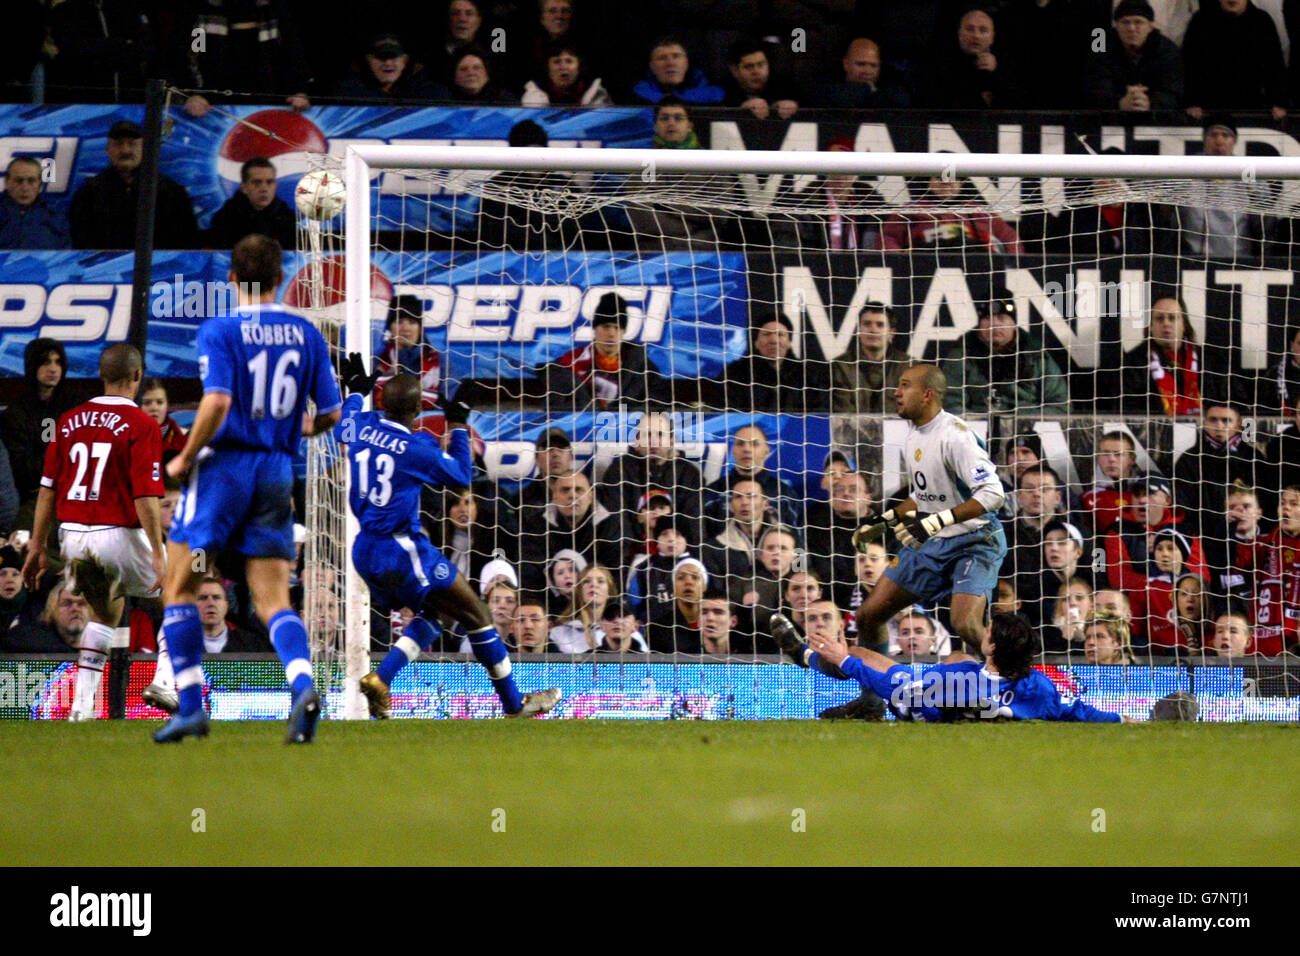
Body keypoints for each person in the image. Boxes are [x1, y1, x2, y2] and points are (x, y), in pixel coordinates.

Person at [155, 235, 344, 743]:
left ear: (233, 279)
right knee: (272, 598)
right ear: (281, 277)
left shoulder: (220, 330)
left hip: (223, 476)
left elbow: (216, 401)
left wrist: (185, 456)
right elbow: (330, 414)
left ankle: (191, 706)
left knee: (183, 583)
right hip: (275, 477)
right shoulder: (307, 334)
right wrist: (288, 430)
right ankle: (302, 685)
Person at [331, 352, 561, 716]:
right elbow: (460, 477)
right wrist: (457, 424)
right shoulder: (416, 447)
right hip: (401, 549)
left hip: (363, 550)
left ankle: (382, 679)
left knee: (438, 613)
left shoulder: (361, 427)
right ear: (416, 413)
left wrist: (355, 392)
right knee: (476, 613)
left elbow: (343, 427)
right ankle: (514, 703)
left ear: (381, 403)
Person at [21, 343, 172, 720]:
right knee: (180, 594)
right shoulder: (142, 425)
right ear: (137, 377)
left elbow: (47, 489)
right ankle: (165, 680)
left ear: (101, 376)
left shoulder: (68, 420)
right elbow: (146, 496)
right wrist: (157, 549)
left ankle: (81, 707)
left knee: (105, 615)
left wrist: (37, 546)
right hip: (119, 532)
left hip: (72, 536)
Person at [843, 365, 1007, 668]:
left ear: (928, 394)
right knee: (868, 616)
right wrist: (882, 522)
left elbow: (993, 494)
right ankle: (874, 700)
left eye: (905, 385)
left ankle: (1017, 687)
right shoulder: (915, 436)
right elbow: (925, 495)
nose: (896, 392)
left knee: (966, 625)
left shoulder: (957, 437)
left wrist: (935, 521)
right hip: (933, 541)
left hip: (976, 541)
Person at [804, 611, 1126, 723]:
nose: (982, 633)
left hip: (919, 707)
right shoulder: (1037, 686)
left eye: (987, 632)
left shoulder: (960, 681)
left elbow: (897, 690)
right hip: (968, 699)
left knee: (862, 655)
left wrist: (843, 659)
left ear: (994, 646)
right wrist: (1121, 720)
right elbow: (1075, 710)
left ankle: (807, 656)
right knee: (960, 657)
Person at [69, 119, 198, 250]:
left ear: (144, 149)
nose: (125, 150)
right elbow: (82, 243)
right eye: (118, 144)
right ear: (108, 150)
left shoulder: (170, 191)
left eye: (132, 144)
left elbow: (185, 242)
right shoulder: (88, 194)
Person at [179, 0, 311, 118]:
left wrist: (299, 91)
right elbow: (194, 54)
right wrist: (196, 93)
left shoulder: (275, 10)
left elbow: (293, 53)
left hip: (272, 104)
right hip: (213, 108)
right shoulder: (203, 13)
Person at [940, 297, 1070, 416]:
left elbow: (1060, 405)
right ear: (979, 325)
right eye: (987, 318)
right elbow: (950, 405)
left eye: (1001, 318)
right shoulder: (961, 356)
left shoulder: (1036, 355)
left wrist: (1022, 422)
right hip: (977, 432)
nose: (994, 324)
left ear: (1013, 324)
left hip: (1027, 432)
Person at [1167, 118, 1270, 261]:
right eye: (1213, 135)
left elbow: (1263, 213)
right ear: (1205, 140)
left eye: (1225, 135)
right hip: (1190, 259)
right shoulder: (1188, 167)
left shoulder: (1247, 170)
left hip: (1238, 257)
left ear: (1233, 141)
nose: (1219, 141)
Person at [0, 338, 77, 528]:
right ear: (32, 365)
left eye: (58, 362)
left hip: (75, 496)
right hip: (32, 501)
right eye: (45, 362)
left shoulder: (77, 406)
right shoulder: (16, 413)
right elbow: (21, 471)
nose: (53, 369)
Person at [542, 292, 667, 408]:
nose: (611, 334)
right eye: (606, 327)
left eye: (617, 328)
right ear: (595, 329)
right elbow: (555, 406)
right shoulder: (569, 364)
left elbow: (658, 405)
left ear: (623, 332)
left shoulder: (643, 369)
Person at [1182, 0, 1287, 121]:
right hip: (1208, 108)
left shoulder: (1262, 21)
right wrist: (1192, 102)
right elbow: (1190, 65)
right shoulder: (1201, 20)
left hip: (1252, 106)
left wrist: (1278, 102)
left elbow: (1274, 65)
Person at [1172, 403, 1264, 534]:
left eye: (1226, 420)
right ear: (1204, 423)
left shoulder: (1253, 458)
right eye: (1213, 420)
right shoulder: (1189, 460)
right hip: (1204, 537)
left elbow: (1264, 500)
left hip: (1249, 538)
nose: (1219, 426)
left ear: (1239, 425)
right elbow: (1183, 506)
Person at [1234, 483, 1300, 656]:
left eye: (1294, 504)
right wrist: (1229, 525)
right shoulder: (1262, 545)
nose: (1286, 507)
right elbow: (1233, 562)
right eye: (1283, 503)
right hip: (1268, 643)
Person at [880, 175, 1022, 254]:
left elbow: (1010, 237)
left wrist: (1010, 263)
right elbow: (888, 238)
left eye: (953, 179)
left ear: (961, 184)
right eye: (939, 179)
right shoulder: (910, 210)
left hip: (977, 268)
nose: (946, 183)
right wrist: (899, 261)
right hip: (923, 267)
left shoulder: (981, 212)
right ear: (929, 182)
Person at [1085, 0, 1183, 111]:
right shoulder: (1100, 46)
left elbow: (1172, 91)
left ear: (1150, 26)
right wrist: (1119, 103)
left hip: (1155, 120)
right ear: (1116, 26)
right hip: (1110, 120)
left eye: (1138, 22)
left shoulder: (1167, 49)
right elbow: (1095, 87)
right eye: (1125, 22)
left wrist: (1149, 103)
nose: (1131, 28)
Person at [1117, 292, 1204, 416]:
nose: (1166, 323)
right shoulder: (1132, 364)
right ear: (1151, 325)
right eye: (1159, 318)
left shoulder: (1208, 361)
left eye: (1172, 318)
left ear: (1184, 324)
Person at [925, 8, 1022, 110]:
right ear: (959, 34)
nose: (976, 36)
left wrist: (995, 75)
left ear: (992, 37)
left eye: (983, 30)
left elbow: (1018, 106)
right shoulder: (940, 63)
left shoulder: (1006, 63)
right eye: (970, 29)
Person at [709, 316, 809, 412]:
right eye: (766, 334)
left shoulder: (808, 376)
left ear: (789, 342)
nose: (774, 341)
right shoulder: (733, 374)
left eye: (780, 335)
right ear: (756, 342)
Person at [830, 302, 911, 414]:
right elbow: (841, 413)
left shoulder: (909, 367)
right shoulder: (840, 366)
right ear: (858, 331)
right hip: (852, 430)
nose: (873, 330)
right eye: (867, 324)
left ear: (891, 333)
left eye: (880, 325)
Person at [205, 157, 296, 251]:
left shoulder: (286, 217)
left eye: (269, 182)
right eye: (257, 183)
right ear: (244, 187)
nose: (264, 189)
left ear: (275, 186)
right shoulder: (226, 218)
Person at [374, 294, 441, 413]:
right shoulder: (377, 360)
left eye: (411, 322)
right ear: (390, 327)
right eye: (399, 322)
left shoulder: (440, 362)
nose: (405, 328)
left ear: (420, 327)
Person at [333, 33, 447, 102]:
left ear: (404, 60)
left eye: (393, 57)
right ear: (369, 60)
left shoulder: (428, 92)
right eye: (380, 57)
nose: (387, 63)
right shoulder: (348, 93)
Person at [804, 37, 909, 109]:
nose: (868, 71)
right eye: (861, 64)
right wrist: (868, 89)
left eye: (873, 65)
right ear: (846, 64)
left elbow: (902, 102)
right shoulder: (825, 90)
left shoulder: (892, 89)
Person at [0, 156, 70, 249]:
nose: (24, 188)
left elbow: (64, 258)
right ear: (7, 182)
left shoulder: (56, 219)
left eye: (31, 181)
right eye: (18, 181)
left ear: (40, 185)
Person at [631, 37, 725, 105]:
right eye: (662, 58)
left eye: (676, 56)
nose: (670, 63)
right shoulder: (637, 94)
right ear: (652, 66)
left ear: (687, 62)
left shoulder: (713, 92)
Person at [720, 38, 797, 119]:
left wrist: (794, 106)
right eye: (748, 67)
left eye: (761, 65)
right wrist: (740, 110)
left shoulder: (785, 85)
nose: (756, 72)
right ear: (734, 70)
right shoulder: (722, 90)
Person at [549, 564, 618, 653]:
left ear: (610, 590)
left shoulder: (624, 632)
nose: (593, 584)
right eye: (586, 581)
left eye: (600, 581)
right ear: (579, 590)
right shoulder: (559, 633)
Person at [521, 38, 612, 106]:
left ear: (579, 67)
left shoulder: (596, 93)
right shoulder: (533, 95)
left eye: (569, 61)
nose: (563, 67)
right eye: (557, 62)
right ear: (548, 68)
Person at [646, 557, 708, 653]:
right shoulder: (658, 628)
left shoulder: (714, 624)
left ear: (704, 586)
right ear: (673, 587)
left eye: (695, 577)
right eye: (681, 578)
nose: (688, 582)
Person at [195, 576, 270, 652]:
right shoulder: (183, 644)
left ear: (226, 605)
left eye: (216, 598)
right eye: (203, 598)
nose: (211, 603)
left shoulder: (254, 644)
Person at [448, 46, 517, 104]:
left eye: (476, 68)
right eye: (463, 69)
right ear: (454, 76)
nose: (471, 73)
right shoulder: (444, 100)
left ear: (487, 73)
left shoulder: (505, 101)